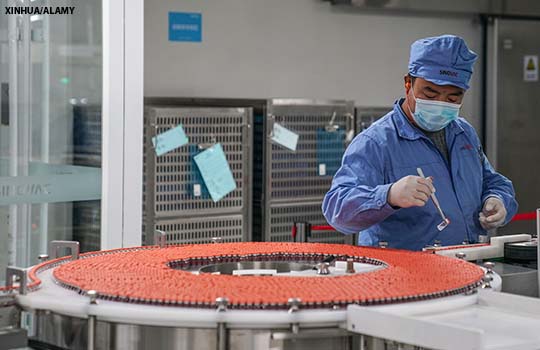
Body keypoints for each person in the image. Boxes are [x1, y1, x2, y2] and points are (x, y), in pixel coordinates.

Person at [322, 34, 518, 251]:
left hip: (467, 266)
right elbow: (337, 210)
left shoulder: (464, 134)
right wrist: (389, 195)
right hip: (403, 277)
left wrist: (497, 200)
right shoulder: (377, 142)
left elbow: (492, 181)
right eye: (430, 93)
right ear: (408, 84)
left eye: (453, 98)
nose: (441, 104)